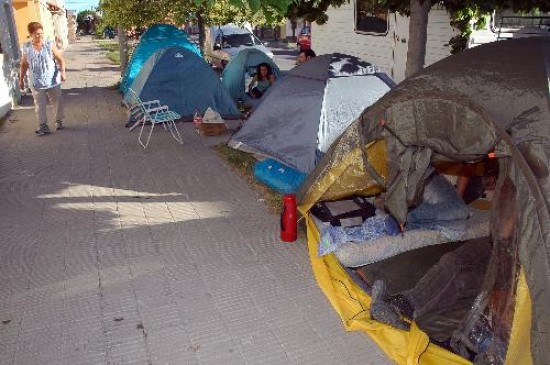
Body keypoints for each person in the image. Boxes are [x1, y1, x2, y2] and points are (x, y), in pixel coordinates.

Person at [19, 22, 66, 135]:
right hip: (36, 82)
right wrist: (21, 80)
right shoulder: (27, 48)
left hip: (53, 81)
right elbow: (24, 65)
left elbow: (60, 59)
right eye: (36, 34)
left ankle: (59, 121)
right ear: (31, 35)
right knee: (40, 105)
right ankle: (43, 126)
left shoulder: (49, 44)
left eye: (41, 33)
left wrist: (63, 72)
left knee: (57, 102)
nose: (39, 36)